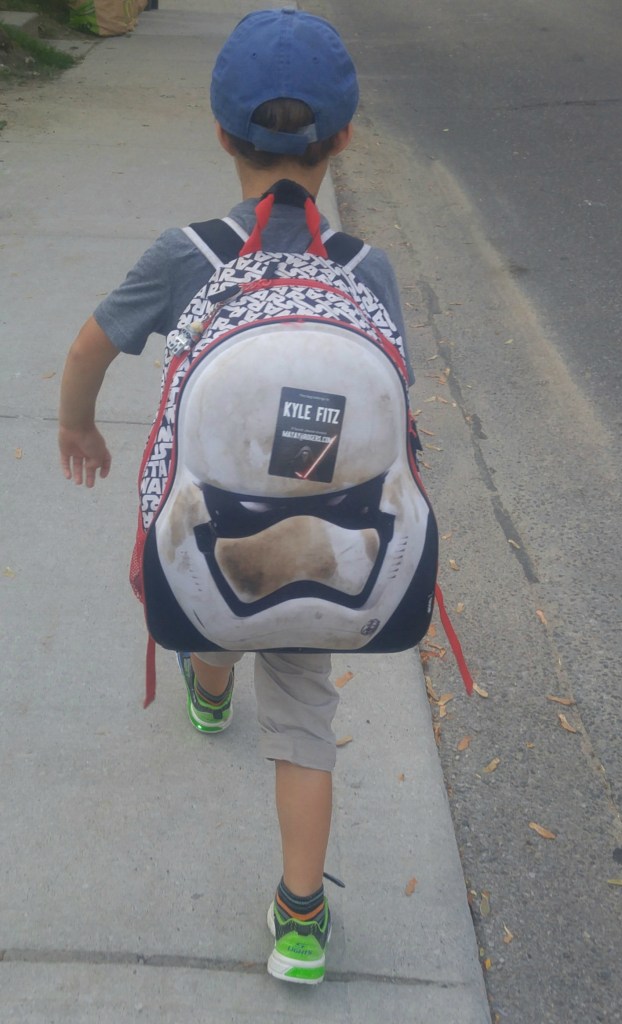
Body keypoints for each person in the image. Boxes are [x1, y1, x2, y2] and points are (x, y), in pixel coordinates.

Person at [57, 8, 411, 986]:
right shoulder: (365, 270)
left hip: (209, 549)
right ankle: (299, 923)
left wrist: (78, 425)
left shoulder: (188, 255)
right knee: (302, 715)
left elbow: (89, 346)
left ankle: (209, 691)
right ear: (343, 137)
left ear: (221, 134)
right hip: (324, 553)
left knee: (215, 599)